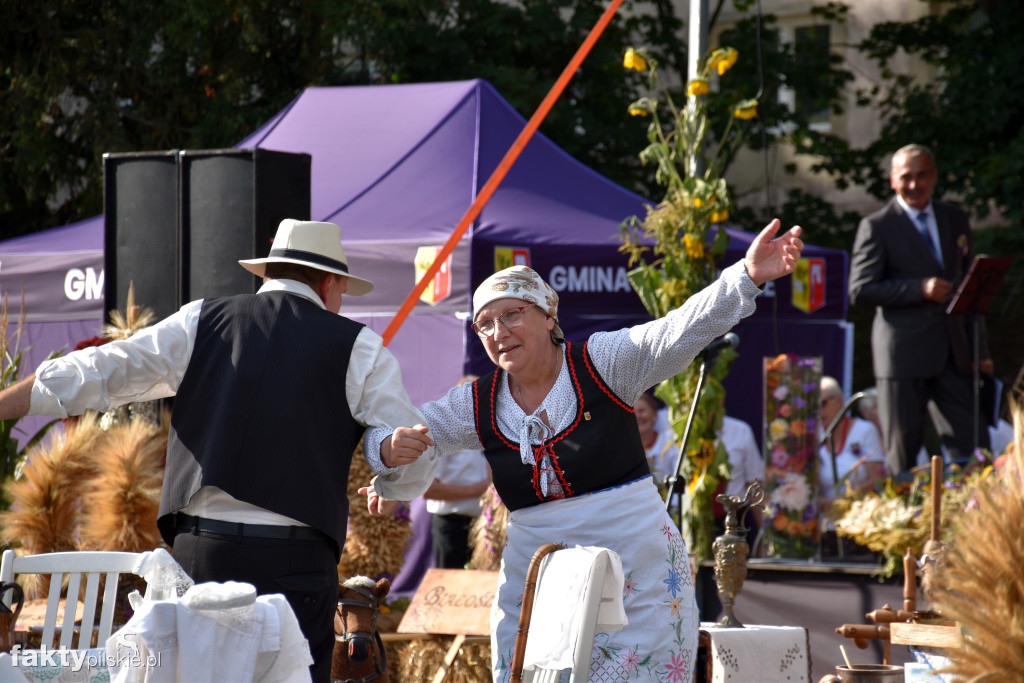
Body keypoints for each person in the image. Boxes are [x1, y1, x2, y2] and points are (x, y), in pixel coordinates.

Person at [0, 219, 438, 683]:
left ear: (268, 274)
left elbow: (103, 368)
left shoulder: (201, 321)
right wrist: (389, 466)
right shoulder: (360, 347)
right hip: (297, 566)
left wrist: (7, 401)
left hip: (201, 556)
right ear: (330, 283)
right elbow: (414, 457)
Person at [365, 219, 804, 681]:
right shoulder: (475, 403)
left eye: (512, 314)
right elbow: (396, 433)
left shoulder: (604, 362)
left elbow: (679, 330)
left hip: (636, 564)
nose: (498, 332)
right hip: (538, 576)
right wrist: (387, 452)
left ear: (549, 316)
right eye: (485, 324)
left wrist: (747, 275)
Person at [849, 143, 991, 476]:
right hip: (902, 355)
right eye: (906, 177)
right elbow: (860, 289)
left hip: (952, 352)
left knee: (974, 444)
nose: (914, 184)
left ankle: (969, 518)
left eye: (922, 175)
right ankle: (906, 522)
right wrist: (918, 289)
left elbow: (971, 289)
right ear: (892, 181)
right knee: (904, 450)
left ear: (934, 177)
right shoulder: (878, 226)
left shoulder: (954, 219)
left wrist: (979, 349)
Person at [423, 375, 492, 569]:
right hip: (451, 526)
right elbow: (428, 489)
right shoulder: (443, 435)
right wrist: (475, 491)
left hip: (481, 527)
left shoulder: (486, 434)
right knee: (448, 590)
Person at [818, 376, 886, 504]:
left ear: (839, 401)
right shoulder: (815, 436)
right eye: (814, 406)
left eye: (823, 404)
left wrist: (841, 502)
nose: (819, 410)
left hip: (859, 512)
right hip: (823, 514)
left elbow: (877, 478)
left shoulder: (865, 430)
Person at [634, 392, 674, 486]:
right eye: (633, 413)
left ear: (654, 415)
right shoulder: (626, 451)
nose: (637, 416)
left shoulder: (669, 444)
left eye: (642, 411)